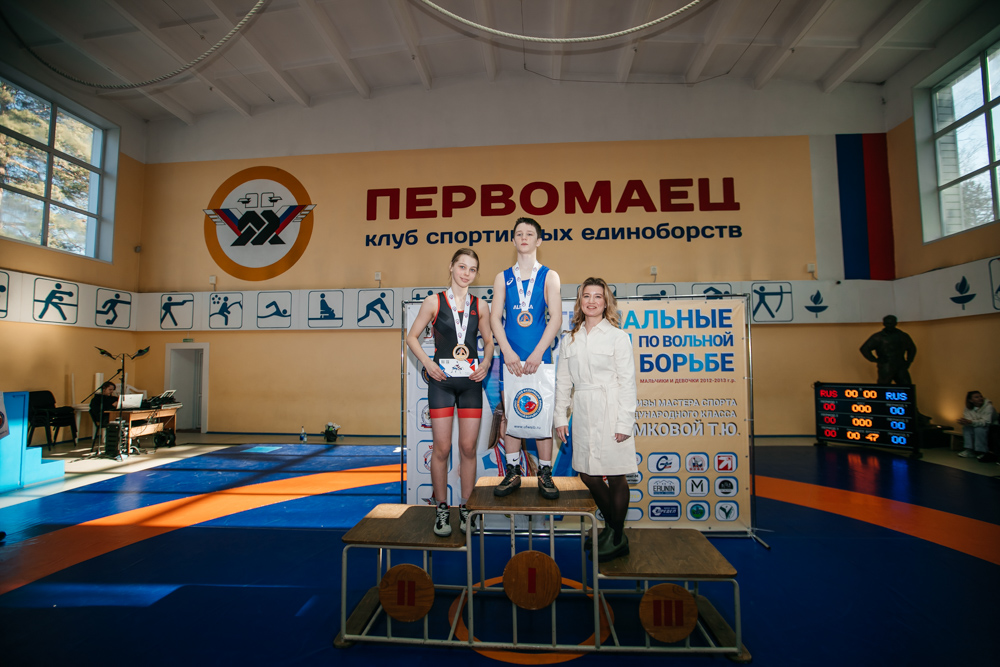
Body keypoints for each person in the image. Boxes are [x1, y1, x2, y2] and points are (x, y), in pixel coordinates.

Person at [406, 248, 494, 537]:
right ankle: (442, 507)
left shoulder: (481, 306)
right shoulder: (434, 301)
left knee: (468, 448)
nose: (466, 273)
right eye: (462, 267)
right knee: (442, 448)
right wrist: (428, 363)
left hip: (470, 383)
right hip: (442, 382)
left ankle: (467, 507)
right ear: (451, 267)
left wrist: (486, 363)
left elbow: (489, 341)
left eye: (472, 269)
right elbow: (411, 336)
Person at [554, 278, 637, 562]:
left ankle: (616, 535)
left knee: (615, 474)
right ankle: (614, 529)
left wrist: (624, 423)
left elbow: (627, 383)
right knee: (588, 473)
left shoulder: (618, 337)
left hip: (611, 409)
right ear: (580, 302)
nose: (591, 301)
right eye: (586, 296)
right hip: (583, 410)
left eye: (597, 296)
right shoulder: (570, 339)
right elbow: (563, 382)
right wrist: (560, 417)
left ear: (606, 302)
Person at [490, 217, 562, 499]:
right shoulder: (502, 277)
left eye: (529, 234)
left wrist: (538, 353)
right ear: (513, 240)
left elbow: (555, 318)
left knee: (541, 412)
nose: (524, 237)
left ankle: (545, 472)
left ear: (538, 240)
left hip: (540, 356)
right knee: (511, 412)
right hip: (510, 358)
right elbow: (495, 318)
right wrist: (507, 351)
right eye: (519, 233)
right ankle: (513, 471)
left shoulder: (550, 276)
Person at [860, 315, 916, 385]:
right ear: (883, 324)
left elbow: (912, 349)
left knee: (906, 386)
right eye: (887, 323)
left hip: (900, 365)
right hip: (886, 366)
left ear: (895, 323)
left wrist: (909, 361)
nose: (889, 326)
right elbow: (864, 348)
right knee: (883, 387)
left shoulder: (903, 336)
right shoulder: (878, 337)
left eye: (891, 323)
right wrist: (875, 360)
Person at [957, 391, 995, 461]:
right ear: (970, 400)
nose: (980, 398)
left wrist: (971, 422)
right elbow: (968, 419)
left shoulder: (988, 407)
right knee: (967, 427)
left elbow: (986, 422)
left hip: (991, 425)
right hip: (975, 424)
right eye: (977, 397)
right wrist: (966, 422)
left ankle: (982, 451)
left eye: (981, 396)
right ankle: (969, 450)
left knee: (979, 429)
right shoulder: (968, 408)